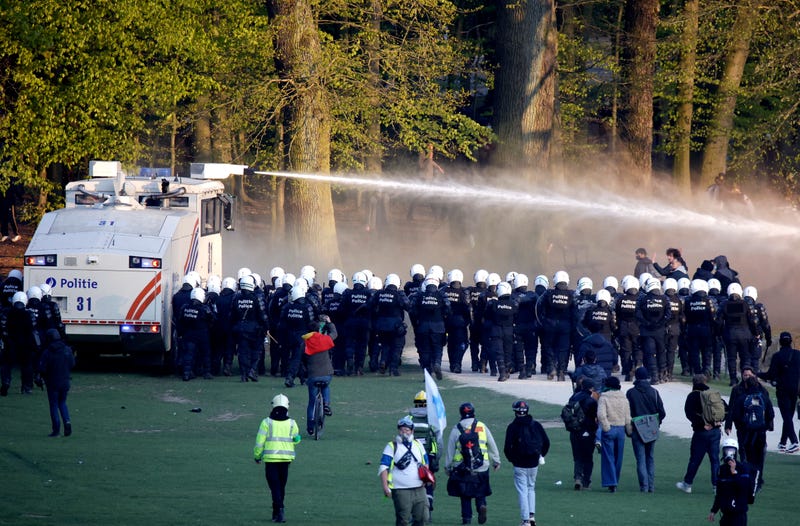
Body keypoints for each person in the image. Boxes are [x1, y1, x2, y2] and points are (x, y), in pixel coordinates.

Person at [445, 402, 501, 525]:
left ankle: (467, 520)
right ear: (473, 412)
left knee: (465, 496)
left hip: (462, 468)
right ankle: (481, 505)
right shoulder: (481, 426)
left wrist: (447, 467)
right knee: (481, 492)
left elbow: (450, 449)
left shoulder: (456, 428)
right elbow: (491, 444)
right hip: (482, 466)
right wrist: (496, 460)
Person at [253, 394, 301, 523]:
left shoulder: (266, 422)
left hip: (270, 459)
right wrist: (297, 439)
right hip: (286, 459)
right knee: (281, 486)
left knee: (274, 486)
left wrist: (257, 456)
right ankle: (278, 511)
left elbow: (259, 442)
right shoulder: (292, 423)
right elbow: (296, 439)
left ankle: (278, 510)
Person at [724, 366, 774, 491]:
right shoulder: (763, 394)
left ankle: (748, 478)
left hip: (745, 430)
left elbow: (733, 411)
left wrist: (737, 424)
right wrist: (767, 426)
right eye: (745, 375)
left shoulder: (742, 396)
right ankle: (757, 480)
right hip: (759, 431)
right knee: (758, 456)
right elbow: (770, 413)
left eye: (748, 375)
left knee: (746, 454)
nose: (746, 377)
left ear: (753, 376)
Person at [676, 374, 726, 494]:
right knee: (715, 460)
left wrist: (701, 423)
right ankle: (716, 486)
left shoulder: (693, 396)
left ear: (693, 383)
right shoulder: (713, 394)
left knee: (695, 459)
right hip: (715, 431)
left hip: (701, 432)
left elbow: (689, 413)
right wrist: (717, 422)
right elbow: (725, 409)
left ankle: (687, 484)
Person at [504, 400, 549, 526]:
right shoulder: (536, 425)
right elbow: (546, 442)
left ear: (515, 412)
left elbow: (507, 448)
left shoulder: (512, 427)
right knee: (531, 489)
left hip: (519, 464)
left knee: (522, 491)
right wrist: (540, 455)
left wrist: (513, 460)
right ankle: (531, 516)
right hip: (534, 462)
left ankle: (525, 520)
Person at [379, 416, 430, 526]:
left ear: (412, 431)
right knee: (403, 519)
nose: (404, 432)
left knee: (423, 517)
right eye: (402, 430)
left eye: (407, 430)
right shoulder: (391, 446)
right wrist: (385, 487)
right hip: (401, 490)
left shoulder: (418, 444)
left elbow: (425, 462)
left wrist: (426, 478)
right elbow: (384, 467)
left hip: (419, 488)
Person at [757, 332, 800, 453]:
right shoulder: (798, 355)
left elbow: (771, 375)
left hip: (783, 390)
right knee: (789, 416)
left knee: (786, 416)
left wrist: (758, 374)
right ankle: (782, 442)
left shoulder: (778, 356)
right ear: (791, 341)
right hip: (795, 390)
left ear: (780, 342)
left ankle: (794, 441)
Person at [626, 367, 666, 492]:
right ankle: (651, 486)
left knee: (640, 458)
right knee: (650, 457)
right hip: (652, 427)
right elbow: (662, 412)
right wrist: (656, 423)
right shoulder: (654, 391)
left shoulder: (631, 392)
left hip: (637, 427)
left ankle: (644, 486)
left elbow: (628, 412)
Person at [708, 437, 757, 525]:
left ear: (736, 452)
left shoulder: (742, 468)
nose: (729, 454)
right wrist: (714, 510)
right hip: (725, 515)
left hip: (738, 515)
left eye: (731, 451)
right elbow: (719, 493)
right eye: (727, 450)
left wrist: (734, 472)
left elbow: (744, 487)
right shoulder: (722, 469)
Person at [303, 315, 337, 435]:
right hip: (326, 373)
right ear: (318, 329)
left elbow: (302, 358)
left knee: (312, 402)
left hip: (313, 375)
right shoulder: (324, 339)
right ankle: (326, 404)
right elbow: (334, 334)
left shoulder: (305, 342)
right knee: (326, 386)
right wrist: (329, 322)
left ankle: (310, 427)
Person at [409, 391, 440, 520]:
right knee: (428, 484)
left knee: (412, 486)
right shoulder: (432, 420)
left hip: (411, 460)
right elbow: (439, 442)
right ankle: (428, 510)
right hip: (429, 458)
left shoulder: (409, 419)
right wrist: (436, 459)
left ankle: (413, 515)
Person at [37, 328, 75, 437]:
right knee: (62, 403)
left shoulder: (48, 352)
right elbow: (72, 363)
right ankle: (67, 422)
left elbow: (42, 368)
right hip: (65, 381)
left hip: (52, 382)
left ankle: (56, 429)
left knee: (53, 405)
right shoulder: (67, 350)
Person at [597, 376, 631, 492]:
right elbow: (627, 416)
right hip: (621, 429)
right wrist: (628, 429)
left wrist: (606, 427)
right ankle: (615, 479)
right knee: (618, 457)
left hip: (610, 428)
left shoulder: (604, 397)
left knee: (608, 457)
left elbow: (601, 415)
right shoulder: (624, 398)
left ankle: (611, 482)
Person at [566, 378, 599, 491]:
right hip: (588, 432)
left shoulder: (574, 397)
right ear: (591, 388)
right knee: (588, 458)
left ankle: (577, 478)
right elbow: (595, 418)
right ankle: (586, 482)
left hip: (574, 431)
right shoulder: (592, 401)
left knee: (577, 457)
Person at [408, 143, 444, 221]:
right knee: (420, 197)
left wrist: (438, 167)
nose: (432, 150)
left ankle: (436, 217)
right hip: (424, 179)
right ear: (427, 147)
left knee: (429, 197)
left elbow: (431, 162)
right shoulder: (422, 154)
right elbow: (421, 165)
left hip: (428, 179)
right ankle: (410, 215)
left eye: (432, 148)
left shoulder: (428, 157)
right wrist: (429, 159)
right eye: (431, 148)